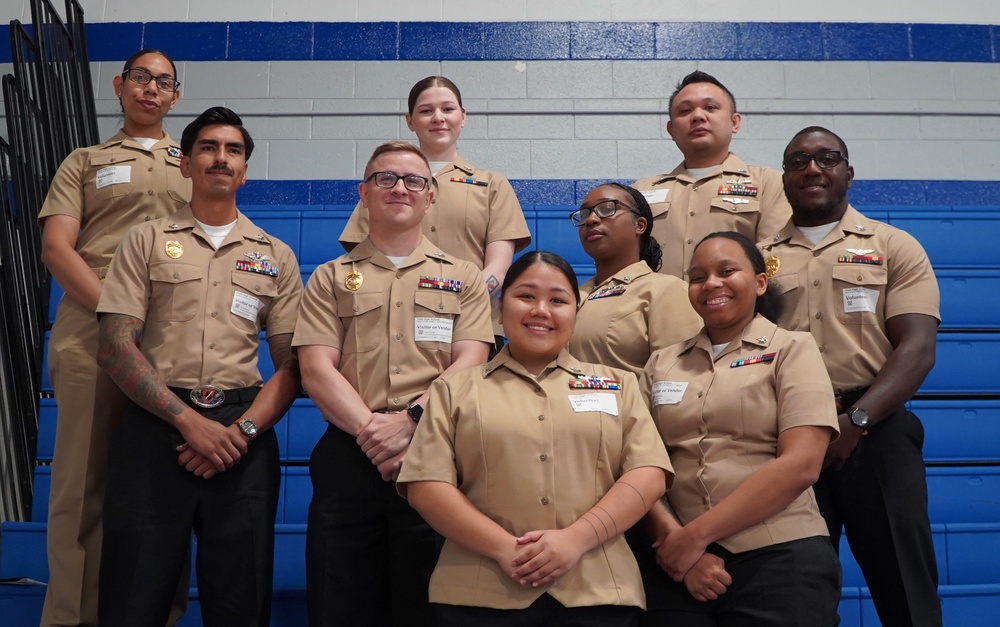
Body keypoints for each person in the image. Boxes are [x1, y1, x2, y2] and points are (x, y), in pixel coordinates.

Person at [94, 106, 302, 627]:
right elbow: (117, 346)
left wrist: (241, 431)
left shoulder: (276, 255)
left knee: (240, 598)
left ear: (245, 169)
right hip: (156, 424)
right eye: (208, 147)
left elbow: (292, 367)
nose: (221, 158)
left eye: (233, 150)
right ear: (185, 164)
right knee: (133, 595)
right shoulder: (143, 241)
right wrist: (189, 423)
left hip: (241, 437)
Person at [398, 251, 673, 627]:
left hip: (599, 593)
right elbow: (426, 485)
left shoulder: (619, 385)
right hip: (477, 595)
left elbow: (649, 475)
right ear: (499, 308)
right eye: (526, 296)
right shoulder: (453, 388)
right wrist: (503, 549)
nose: (541, 310)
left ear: (576, 315)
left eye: (558, 300)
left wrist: (575, 540)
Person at [294, 141, 494, 627]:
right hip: (349, 452)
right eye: (386, 178)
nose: (400, 188)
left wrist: (409, 422)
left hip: (432, 452)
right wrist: (374, 434)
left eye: (414, 181)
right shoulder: (330, 278)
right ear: (364, 193)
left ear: (431, 197)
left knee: (425, 601)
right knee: (340, 599)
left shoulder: (464, 278)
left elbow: (471, 361)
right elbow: (317, 369)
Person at [760, 126, 942, 626]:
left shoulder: (893, 245)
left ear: (848, 172)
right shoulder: (756, 260)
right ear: (784, 177)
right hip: (784, 436)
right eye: (798, 160)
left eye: (827, 158)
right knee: (794, 591)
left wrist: (856, 420)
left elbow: (918, 348)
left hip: (876, 430)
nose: (812, 168)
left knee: (905, 586)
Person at [36, 48, 190, 627]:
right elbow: (57, 248)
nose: (152, 89)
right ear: (119, 85)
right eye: (141, 78)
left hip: (174, 327)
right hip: (93, 322)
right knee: (81, 482)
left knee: (168, 484)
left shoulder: (195, 158)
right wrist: (117, 314)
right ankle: (71, 618)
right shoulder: (85, 160)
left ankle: (157, 616)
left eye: (164, 82)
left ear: (176, 96)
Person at [641, 232, 841, 626]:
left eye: (727, 271)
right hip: (678, 565)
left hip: (780, 555)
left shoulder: (792, 349)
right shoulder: (661, 363)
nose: (711, 283)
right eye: (698, 277)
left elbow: (802, 464)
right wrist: (680, 546)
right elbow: (638, 463)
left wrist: (694, 538)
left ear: (760, 282)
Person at [339, 76, 531, 349]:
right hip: (392, 327)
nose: (438, 118)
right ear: (410, 120)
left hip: (471, 326)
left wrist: (455, 300)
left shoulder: (492, 185)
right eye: (426, 111)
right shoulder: (384, 183)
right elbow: (362, 260)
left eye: (448, 109)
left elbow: (498, 268)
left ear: (463, 117)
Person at [633, 70, 791, 279]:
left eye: (710, 107)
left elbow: (774, 261)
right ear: (671, 130)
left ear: (735, 122)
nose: (698, 116)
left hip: (733, 308)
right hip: (658, 310)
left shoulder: (768, 184)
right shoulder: (641, 191)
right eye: (685, 110)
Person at [568, 182, 701, 381]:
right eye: (585, 213)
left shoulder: (665, 290)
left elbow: (682, 379)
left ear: (639, 225)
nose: (591, 219)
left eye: (607, 209)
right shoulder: (572, 297)